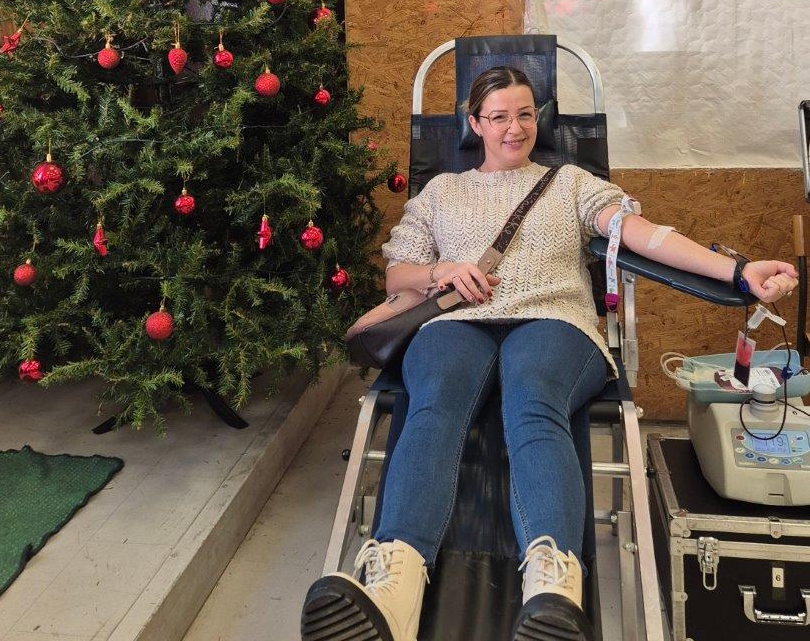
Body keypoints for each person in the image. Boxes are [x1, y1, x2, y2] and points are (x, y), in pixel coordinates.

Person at [301, 65, 798, 641]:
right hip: (456, 320)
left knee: (533, 399)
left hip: (554, 320)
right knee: (433, 402)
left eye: (525, 115)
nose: (514, 128)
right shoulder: (442, 192)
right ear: (474, 124)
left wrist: (737, 271)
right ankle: (393, 592)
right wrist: (443, 270)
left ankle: (553, 592)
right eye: (499, 117)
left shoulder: (570, 183)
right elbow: (398, 275)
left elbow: (645, 235)